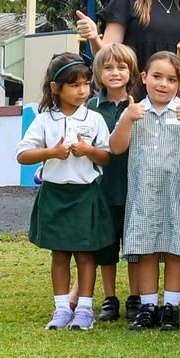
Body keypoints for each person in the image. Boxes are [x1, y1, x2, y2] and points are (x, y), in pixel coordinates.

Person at [17, 54, 114, 330]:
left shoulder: (94, 118)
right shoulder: (44, 120)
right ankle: (61, 309)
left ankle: (84, 310)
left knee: (86, 254)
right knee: (59, 254)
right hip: (55, 194)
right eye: (74, 85)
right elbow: (22, 154)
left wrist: (89, 151)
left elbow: (106, 157)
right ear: (55, 88)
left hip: (86, 195)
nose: (83, 90)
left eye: (86, 84)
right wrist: (52, 152)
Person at [111, 51, 180, 331]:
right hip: (144, 195)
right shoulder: (134, 110)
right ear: (144, 78)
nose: (163, 84)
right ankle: (149, 306)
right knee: (147, 250)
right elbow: (116, 147)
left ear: (179, 83)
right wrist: (128, 118)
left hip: (179, 194)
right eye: (157, 77)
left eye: (171, 79)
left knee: (176, 250)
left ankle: (171, 308)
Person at [87, 44, 139, 323]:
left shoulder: (139, 106)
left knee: (133, 248)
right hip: (102, 188)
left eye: (121, 67)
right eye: (108, 67)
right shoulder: (90, 108)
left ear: (131, 72)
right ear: (98, 72)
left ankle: (135, 297)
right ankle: (110, 298)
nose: (115, 73)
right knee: (106, 247)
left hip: (134, 187)